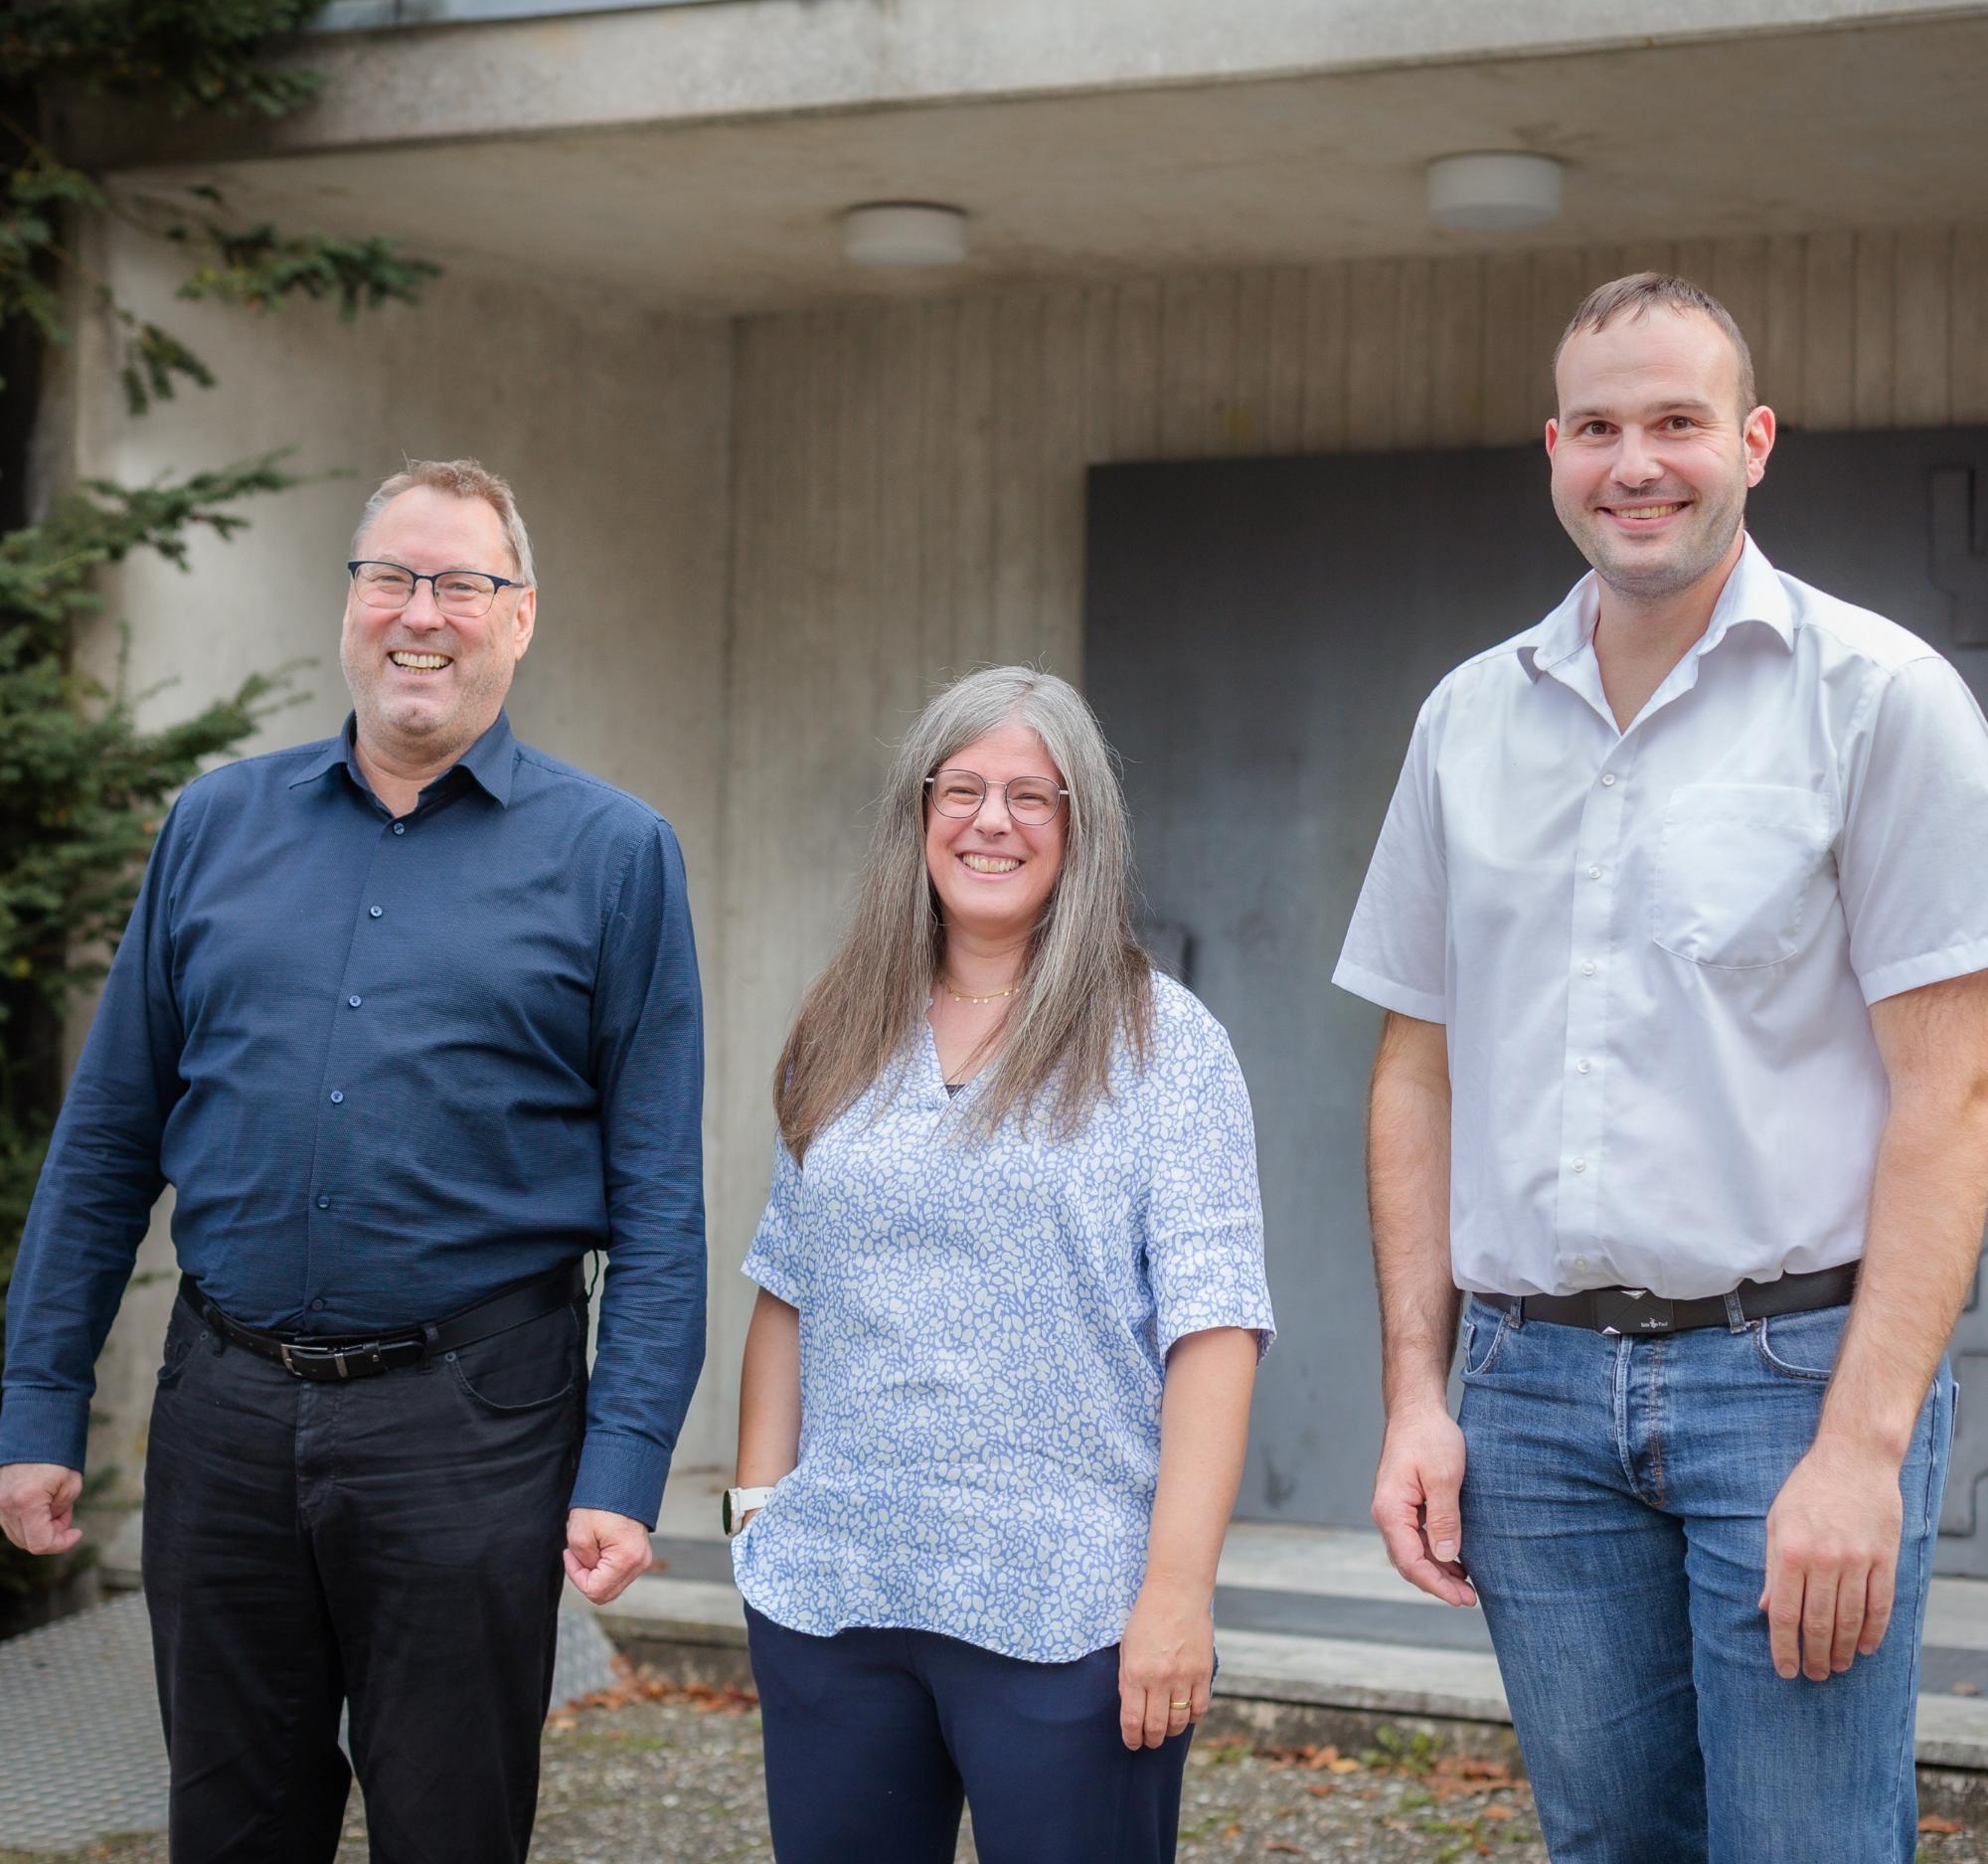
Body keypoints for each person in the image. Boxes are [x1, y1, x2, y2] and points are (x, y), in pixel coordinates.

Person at [1334, 273, 1988, 1861]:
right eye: (1601, 427)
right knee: (1608, 1847)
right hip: (1530, 1401)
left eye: (1678, 422)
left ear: (1753, 442)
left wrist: (1861, 1448)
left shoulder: (1882, 702)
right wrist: (1418, 1392)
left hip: (1785, 1387)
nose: (1638, 463)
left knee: (1806, 1848)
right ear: (1553, 450)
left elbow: (1953, 1094)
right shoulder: (1465, 720)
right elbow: (1413, 1073)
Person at [0, 458, 706, 1864]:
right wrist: (35, 1403)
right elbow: (105, 1143)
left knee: (450, 1825)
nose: (419, 615)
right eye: (390, 577)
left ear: (521, 617)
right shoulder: (216, 826)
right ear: (350, 605)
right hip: (224, 1415)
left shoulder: (615, 854)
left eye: (461, 583)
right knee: (231, 1819)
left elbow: (662, 1203)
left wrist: (622, 1464)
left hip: (473, 1430)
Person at [726, 665, 1273, 1864]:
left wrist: (1176, 1590)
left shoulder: (1161, 1042)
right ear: (916, 815)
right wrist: (754, 1524)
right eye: (961, 787)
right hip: (835, 1601)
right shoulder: (840, 1028)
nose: (991, 820)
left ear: (1081, 828)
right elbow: (785, 1282)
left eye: (1033, 795)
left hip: (1071, 1616)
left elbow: (1215, 1329)